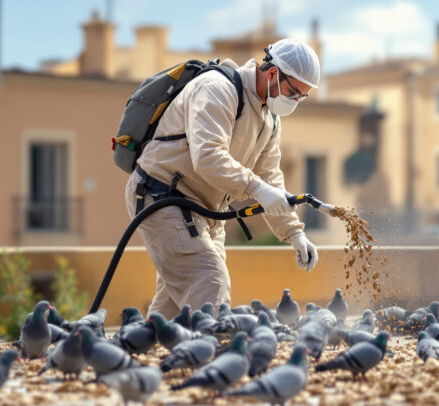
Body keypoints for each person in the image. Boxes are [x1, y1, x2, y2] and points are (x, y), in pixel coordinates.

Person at [124, 39, 320, 318]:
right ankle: (206, 359)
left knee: (173, 306)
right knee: (209, 282)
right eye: (293, 91)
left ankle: (149, 353)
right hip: (162, 194)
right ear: (273, 74)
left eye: (303, 96)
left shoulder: (269, 119)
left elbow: (270, 175)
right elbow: (207, 157)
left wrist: (294, 232)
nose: (295, 101)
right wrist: (256, 188)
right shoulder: (218, 89)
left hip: (206, 211)